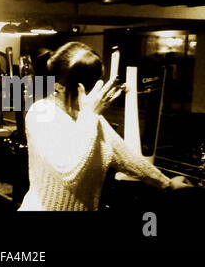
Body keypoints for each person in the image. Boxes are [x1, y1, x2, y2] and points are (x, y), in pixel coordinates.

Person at [18, 41, 192, 211]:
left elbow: (128, 158)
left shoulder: (90, 119)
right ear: (59, 87)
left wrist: (166, 183)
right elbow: (68, 174)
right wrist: (92, 114)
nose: (96, 95)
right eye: (88, 89)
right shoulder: (41, 114)